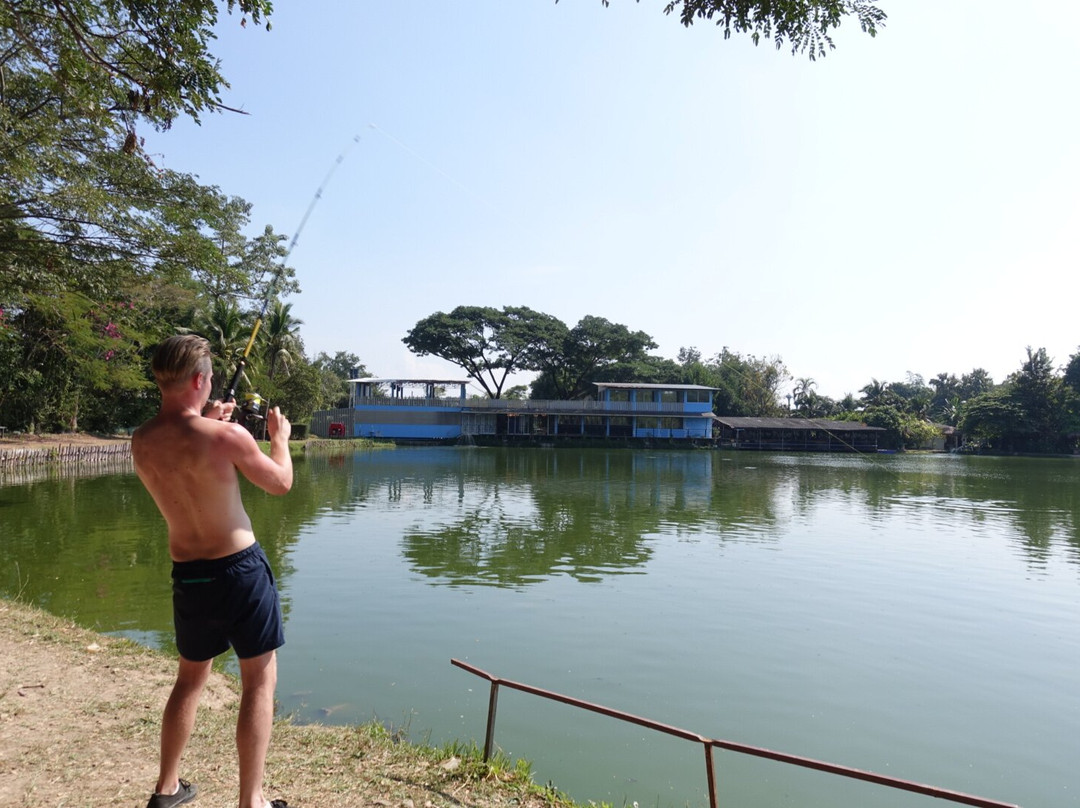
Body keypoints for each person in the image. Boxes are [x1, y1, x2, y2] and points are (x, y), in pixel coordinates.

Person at [132, 335, 293, 808]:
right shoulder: (228, 436)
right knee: (259, 680)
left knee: (189, 678)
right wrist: (279, 441)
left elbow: (184, 447)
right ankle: (252, 800)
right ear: (201, 380)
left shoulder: (141, 441)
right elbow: (281, 483)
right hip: (239, 571)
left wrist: (204, 421)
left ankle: (166, 789)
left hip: (189, 575)